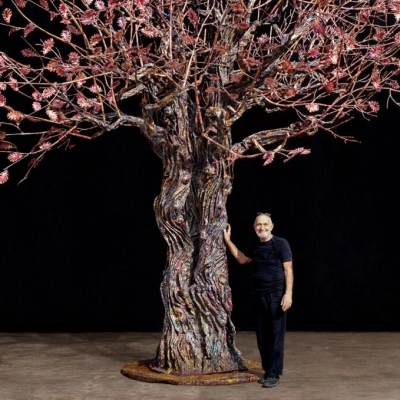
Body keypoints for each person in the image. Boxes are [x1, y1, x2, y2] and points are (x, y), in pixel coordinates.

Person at [223, 212, 293, 388]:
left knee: (276, 336)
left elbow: (288, 270)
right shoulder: (255, 246)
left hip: (276, 296)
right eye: (259, 225)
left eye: (265, 224)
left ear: (272, 226)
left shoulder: (280, 244)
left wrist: (288, 294)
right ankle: (268, 370)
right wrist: (228, 241)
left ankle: (274, 373)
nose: (262, 227)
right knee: (262, 336)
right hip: (258, 296)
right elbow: (241, 259)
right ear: (255, 227)